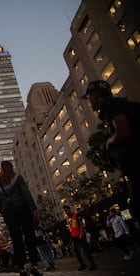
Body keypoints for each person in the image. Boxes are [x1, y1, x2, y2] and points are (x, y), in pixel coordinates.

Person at [82, 79, 140, 223]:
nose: (88, 101)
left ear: (96, 94)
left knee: (137, 208)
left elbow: (124, 130)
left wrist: (109, 142)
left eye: (88, 96)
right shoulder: (119, 105)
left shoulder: (111, 106)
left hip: (138, 165)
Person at [0, 161, 42, 276]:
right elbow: (26, 193)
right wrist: (34, 208)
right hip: (23, 209)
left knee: (16, 239)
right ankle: (34, 265)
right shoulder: (17, 178)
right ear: (11, 168)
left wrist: (4, 213)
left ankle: (22, 267)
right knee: (29, 237)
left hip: (9, 214)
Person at [62, 205, 97, 271]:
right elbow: (70, 227)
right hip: (74, 236)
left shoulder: (76, 215)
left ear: (69, 209)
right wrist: (70, 237)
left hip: (80, 235)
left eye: (66, 210)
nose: (65, 212)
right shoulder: (67, 218)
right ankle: (83, 264)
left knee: (86, 251)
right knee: (76, 251)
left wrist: (81, 234)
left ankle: (93, 264)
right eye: (64, 211)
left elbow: (81, 224)